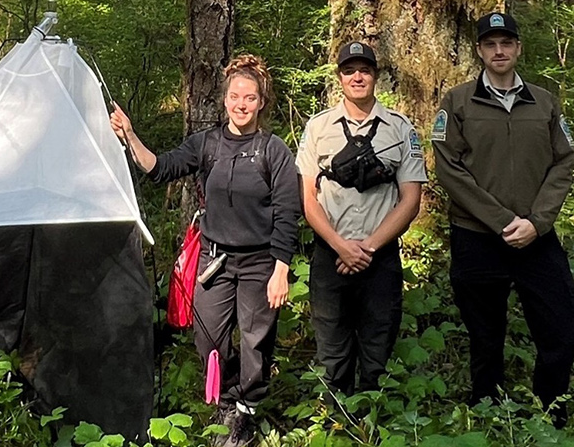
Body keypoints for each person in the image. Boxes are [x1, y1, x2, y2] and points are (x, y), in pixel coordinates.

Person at [110, 54, 300, 446]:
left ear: (262, 102)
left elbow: (287, 213)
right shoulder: (207, 144)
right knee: (208, 338)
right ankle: (226, 399)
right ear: (225, 99)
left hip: (260, 261)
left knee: (256, 340)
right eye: (235, 97)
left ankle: (245, 411)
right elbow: (161, 168)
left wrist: (281, 269)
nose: (241, 105)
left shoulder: (273, 150)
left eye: (250, 98)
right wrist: (129, 135)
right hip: (215, 260)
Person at [430, 11, 574, 427]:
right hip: (477, 237)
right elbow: (448, 169)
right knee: (485, 334)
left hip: (536, 237)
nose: (499, 51)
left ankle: (551, 412)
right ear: (480, 51)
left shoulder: (544, 102)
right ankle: (489, 413)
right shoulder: (457, 102)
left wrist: (537, 221)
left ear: (518, 48)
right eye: (490, 44)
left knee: (565, 329)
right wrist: (501, 221)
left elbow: (564, 162)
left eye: (507, 43)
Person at [296, 41, 428, 396]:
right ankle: (337, 417)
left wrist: (367, 248)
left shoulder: (400, 128)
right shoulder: (318, 127)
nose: (357, 77)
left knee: (377, 352)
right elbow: (308, 198)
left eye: (365, 70)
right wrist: (341, 246)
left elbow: (411, 199)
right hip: (330, 257)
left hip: (380, 258)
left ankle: (374, 417)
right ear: (339, 77)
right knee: (332, 353)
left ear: (375, 76)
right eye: (349, 70)